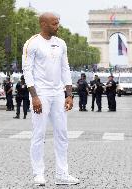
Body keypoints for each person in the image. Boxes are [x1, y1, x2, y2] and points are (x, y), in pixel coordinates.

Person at [22, 12, 79, 186]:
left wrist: (69, 94)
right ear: (43, 24)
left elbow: (65, 69)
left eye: (58, 23)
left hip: (58, 93)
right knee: (38, 134)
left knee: (62, 134)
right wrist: (34, 96)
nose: (58, 26)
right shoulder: (32, 43)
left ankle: (62, 174)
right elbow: (27, 71)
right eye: (54, 23)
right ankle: (38, 174)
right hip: (41, 94)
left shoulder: (61, 43)